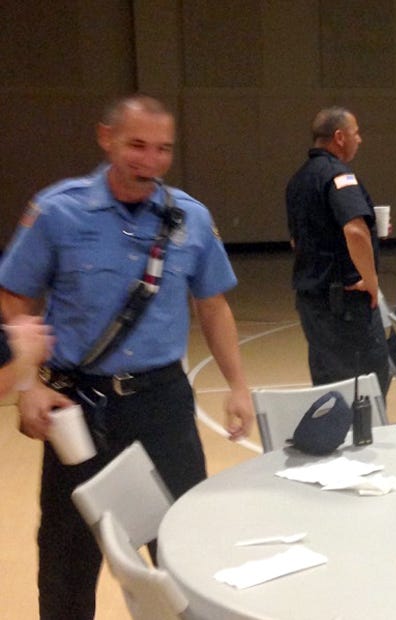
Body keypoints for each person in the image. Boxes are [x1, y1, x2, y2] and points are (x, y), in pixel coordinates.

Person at [0, 94, 255, 620]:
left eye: (163, 149)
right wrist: (29, 385)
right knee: (69, 554)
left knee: (182, 543)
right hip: (78, 406)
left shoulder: (190, 217)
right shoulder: (58, 211)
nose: (150, 160)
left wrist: (237, 384)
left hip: (162, 404)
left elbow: (213, 306)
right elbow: (13, 296)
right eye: (137, 144)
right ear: (106, 137)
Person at [286, 106, 389, 391]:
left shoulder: (298, 180)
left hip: (312, 303)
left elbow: (298, 241)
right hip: (343, 306)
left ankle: (332, 437)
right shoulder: (338, 176)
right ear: (340, 137)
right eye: (356, 133)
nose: (360, 139)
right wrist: (371, 281)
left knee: (328, 386)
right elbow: (355, 230)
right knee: (368, 384)